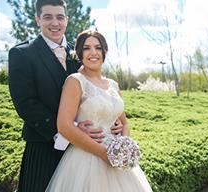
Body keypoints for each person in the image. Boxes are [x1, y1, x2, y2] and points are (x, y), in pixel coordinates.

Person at [8, 0, 122, 191]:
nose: (55, 23)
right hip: (44, 145)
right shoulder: (22, 54)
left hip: (86, 150)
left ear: (66, 20)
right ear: (38, 19)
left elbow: (94, 89)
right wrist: (71, 129)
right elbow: (25, 103)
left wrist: (110, 118)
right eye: (48, 17)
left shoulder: (80, 51)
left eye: (60, 17)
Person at [45, 30, 153, 192]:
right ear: (79, 53)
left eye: (98, 47)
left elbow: (124, 122)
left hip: (116, 159)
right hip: (86, 158)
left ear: (105, 52)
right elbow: (64, 126)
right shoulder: (75, 81)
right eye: (87, 48)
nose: (93, 52)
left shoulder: (113, 85)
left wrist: (122, 148)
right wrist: (104, 154)